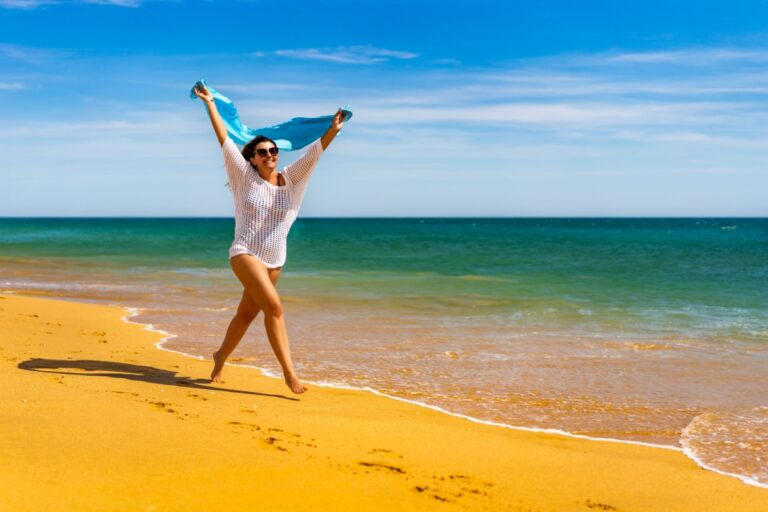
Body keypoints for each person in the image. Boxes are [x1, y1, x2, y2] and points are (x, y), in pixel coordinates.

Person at [193, 83, 346, 394]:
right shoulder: (243, 174)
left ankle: (220, 357)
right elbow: (223, 137)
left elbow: (316, 152)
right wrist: (209, 103)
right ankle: (290, 374)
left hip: (275, 259)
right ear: (252, 158)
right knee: (274, 308)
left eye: (273, 151)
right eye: (262, 152)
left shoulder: (291, 179)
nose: (269, 155)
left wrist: (332, 129)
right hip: (244, 252)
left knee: (246, 315)